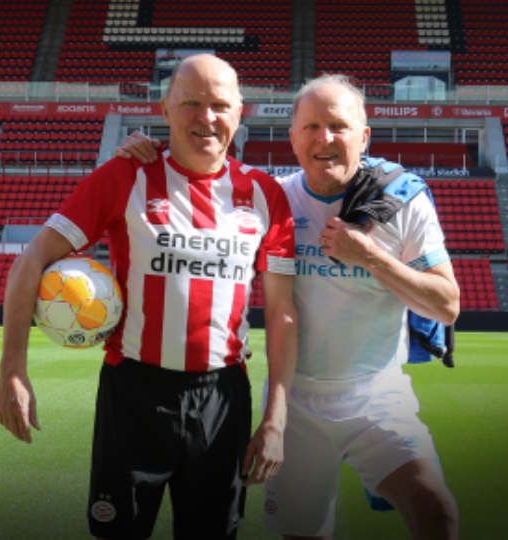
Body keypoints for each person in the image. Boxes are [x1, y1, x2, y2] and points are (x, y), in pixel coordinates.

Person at [116, 74, 461, 540]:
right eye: (312, 126)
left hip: (379, 394)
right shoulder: (270, 198)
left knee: (436, 510)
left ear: (364, 136)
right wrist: (151, 150)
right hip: (297, 404)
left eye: (338, 126)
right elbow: (194, 182)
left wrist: (370, 257)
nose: (325, 138)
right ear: (292, 138)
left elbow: (447, 305)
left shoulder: (401, 201)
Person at [0, 54, 299, 540]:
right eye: (191, 103)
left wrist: (276, 421)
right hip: (133, 392)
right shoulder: (124, 176)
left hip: (223, 398)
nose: (207, 117)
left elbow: (283, 313)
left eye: (220, 105)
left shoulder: (264, 194)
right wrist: (13, 368)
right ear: (164, 108)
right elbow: (31, 260)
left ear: (241, 112)